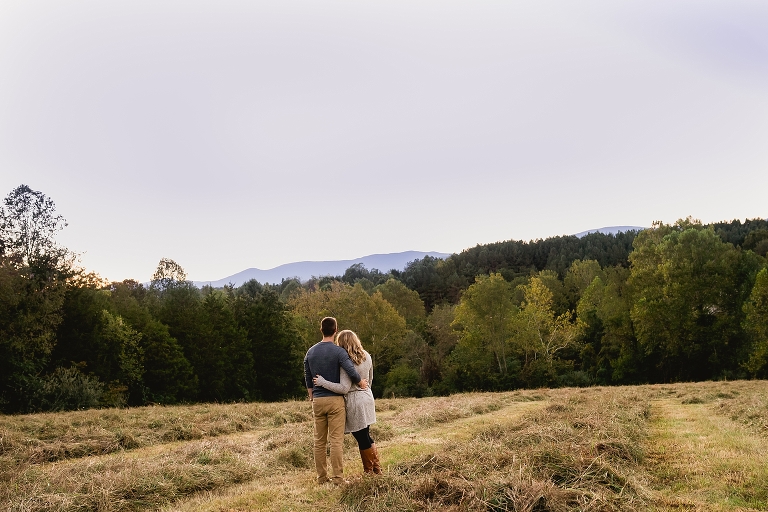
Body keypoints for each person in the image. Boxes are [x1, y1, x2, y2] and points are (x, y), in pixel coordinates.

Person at [304, 317, 367, 485]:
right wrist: (360, 382)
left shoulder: (310, 352)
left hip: (317, 400)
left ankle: (322, 478)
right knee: (336, 441)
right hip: (335, 402)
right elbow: (350, 370)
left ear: (321, 330)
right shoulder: (339, 352)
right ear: (335, 330)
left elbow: (307, 376)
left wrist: (311, 395)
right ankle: (338, 478)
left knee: (319, 442)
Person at [313, 329, 381, 474]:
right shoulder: (367, 356)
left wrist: (322, 382)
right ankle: (376, 469)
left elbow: (344, 388)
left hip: (355, 401)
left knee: (362, 438)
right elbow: (370, 379)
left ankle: (370, 472)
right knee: (366, 435)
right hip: (367, 398)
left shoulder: (346, 362)